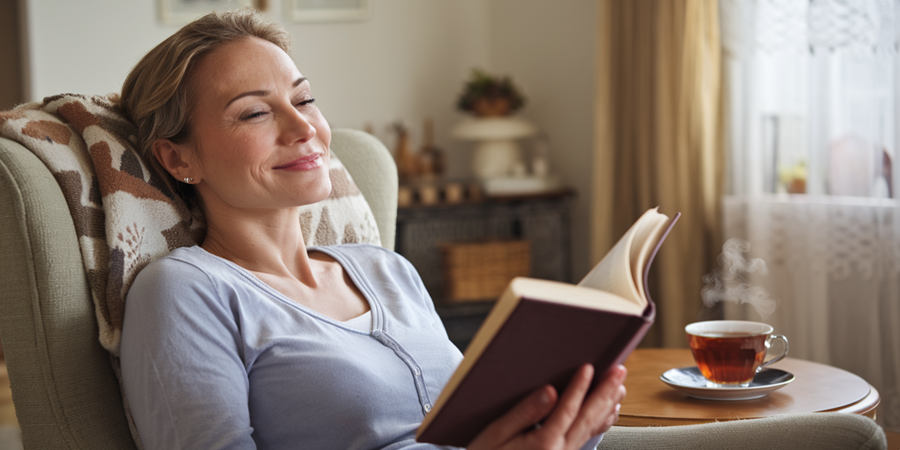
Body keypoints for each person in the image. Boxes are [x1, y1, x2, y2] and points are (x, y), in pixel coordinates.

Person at [118, 9, 626, 450]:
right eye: (254, 112)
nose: (304, 129)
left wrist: (571, 422)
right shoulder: (186, 291)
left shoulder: (386, 270)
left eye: (305, 99)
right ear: (178, 157)